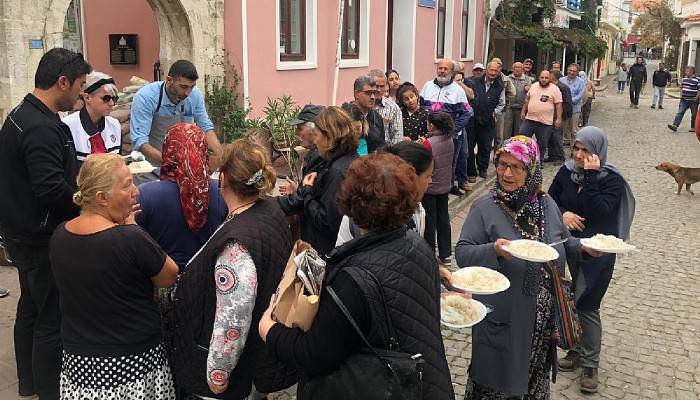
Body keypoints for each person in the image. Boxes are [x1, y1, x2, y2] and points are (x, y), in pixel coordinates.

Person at [259, 152, 456, 400]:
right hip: (428, 382)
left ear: (352, 202)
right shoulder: (417, 244)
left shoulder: (352, 279)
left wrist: (270, 330)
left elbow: (316, 355)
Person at [455, 135, 603, 399]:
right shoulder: (484, 208)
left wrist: (583, 247)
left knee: (532, 381)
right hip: (502, 317)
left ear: (531, 169)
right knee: (496, 383)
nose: (506, 173)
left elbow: (561, 241)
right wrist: (494, 250)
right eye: (501, 165)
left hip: (541, 322)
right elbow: (463, 253)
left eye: (516, 167)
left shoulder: (545, 204)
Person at [0, 48, 91, 399]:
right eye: (81, 86)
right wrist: (88, 208)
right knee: (50, 318)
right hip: (38, 235)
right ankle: (49, 390)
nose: (82, 94)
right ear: (62, 81)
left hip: (21, 230)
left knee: (31, 307)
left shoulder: (23, 113)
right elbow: (51, 188)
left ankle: (28, 382)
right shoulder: (40, 127)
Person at [171, 139, 293, 399]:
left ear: (223, 179)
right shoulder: (268, 209)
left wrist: (218, 373)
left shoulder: (237, 246)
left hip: (231, 369)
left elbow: (233, 318)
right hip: (257, 353)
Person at [50, 153, 178, 399]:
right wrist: (132, 227)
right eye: (127, 185)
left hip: (79, 362)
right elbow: (169, 276)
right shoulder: (129, 238)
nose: (136, 192)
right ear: (102, 198)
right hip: (131, 362)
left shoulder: (60, 234)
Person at [549, 127, 635, 394]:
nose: (578, 154)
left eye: (586, 150)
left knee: (588, 303)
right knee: (569, 297)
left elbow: (598, 211)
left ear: (598, 152)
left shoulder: (611, 180)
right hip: (568, 246)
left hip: (598, 251)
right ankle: (575, 348)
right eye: (576, 148)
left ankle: (590, 364)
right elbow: (549, 201)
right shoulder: (565, 172)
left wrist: (590, 176)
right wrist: (563, 215)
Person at [136, 123, 227, 269]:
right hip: (208, 279)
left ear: (168, 151)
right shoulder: (222, 191)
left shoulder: (146, 195)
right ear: (202, 151)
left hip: (160, 282)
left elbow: (136, 246)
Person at [277, 106, 358, 255]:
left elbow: (327, 222)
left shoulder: (337, 171)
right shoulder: (344, 160)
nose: (316, 139)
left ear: (329, 136)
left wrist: (306, 193)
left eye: (318, 134)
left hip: (326, 253)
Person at [130, 60, 223, 172]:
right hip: (150, 167)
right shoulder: (145, 97)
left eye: (192, 87)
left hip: (181, 167)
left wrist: (221, 156)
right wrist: (171, 163)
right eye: (183, 87)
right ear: (169, 80)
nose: (188, 92)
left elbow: (206, 128)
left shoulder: (195, 95)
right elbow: (140, 141)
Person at [336, 141, 432, 245]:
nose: (431, 180)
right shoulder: (354, 220)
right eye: (428, 176)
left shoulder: (418, 209)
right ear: (410, 177)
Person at [420, 59, 473, 197]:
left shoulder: (458, 90)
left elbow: (467, 113)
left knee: (449, 164)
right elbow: (420, 106)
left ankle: (446, 190)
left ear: (452, 72)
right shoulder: (427, 86)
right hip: (429, 135)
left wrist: (452, 129)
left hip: (450, 136)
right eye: (440, 67)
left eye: (446, 69)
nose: (442, 71)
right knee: (429, 162)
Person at [62, 71, 121, 165]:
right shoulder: (67, 125)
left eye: (114, 99)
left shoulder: (114, 124)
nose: (112, 103)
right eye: (106, 99)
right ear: (87, 98)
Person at [422, 112, 455, 265]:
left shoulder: (428, 143)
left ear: (432, 125)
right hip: (444, 186)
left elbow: (425, 163)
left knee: (430, 221)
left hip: (430, 188)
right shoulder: (450, 140)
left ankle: (429, 253)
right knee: (443, 220)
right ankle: (446, 253)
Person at [467, 61, 505, 182]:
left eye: (495, 71)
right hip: (472, 121)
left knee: (485, 146)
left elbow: (502, 103)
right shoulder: (474, 82)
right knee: (469, 146)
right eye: (491, 70)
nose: (493, 73)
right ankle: (471, 172)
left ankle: (482, 168)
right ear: (486, 70)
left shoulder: (500, 86)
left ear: (498, 72)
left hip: (488, 121)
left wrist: (495, 112)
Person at [278, 104, 327, 196]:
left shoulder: (321, 157)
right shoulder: (316, 153)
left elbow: (314, 202)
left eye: (300, 128)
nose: (296, 132)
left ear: (314, 129)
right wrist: (298, 190)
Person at [520, 70, 563, 158]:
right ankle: (523, 159)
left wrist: (559, 118)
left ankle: (538, 164)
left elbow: (558, 104)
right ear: (539, 77)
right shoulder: (534, 85)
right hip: (530, 120)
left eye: (546, 78)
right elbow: (527, 99)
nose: (544, 79)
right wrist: (523, 111)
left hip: (545, 123)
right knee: (522, 139)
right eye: (542, 77)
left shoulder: (555, 89)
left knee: (542, 145)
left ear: (550, 78)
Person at [341, 75, 385, 155]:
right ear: (356, 94)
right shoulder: (345, 115)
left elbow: (381, 145)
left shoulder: (377, 117)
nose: (372, 97)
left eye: (374, 93)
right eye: (368, 93)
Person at [543, 71, 572, 164]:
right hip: (549, 116)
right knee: (550, 137)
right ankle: (552, 155)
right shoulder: (550, 87)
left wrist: (560, 116)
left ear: (553, 77)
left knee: (557, 137)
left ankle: (560, 157)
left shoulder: (563, 87)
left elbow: (567, 103)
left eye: (548, 76)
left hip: (559, 117)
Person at [369, 69, 404, 143]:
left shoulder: (393, 108)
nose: (379, 90)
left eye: (382, 86)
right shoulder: (362, 105)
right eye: (376, 86)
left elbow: (397, 137)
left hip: (385, 152)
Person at [490, 58, 517, 150]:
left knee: (498, 135)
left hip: (500, 110)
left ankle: (497, 154)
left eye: (498, 65)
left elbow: (512, 93)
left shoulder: (505, 79)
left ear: (500, 67)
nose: (496, 68)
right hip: (487, 109)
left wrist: (505, 102)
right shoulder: (485, 77)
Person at [667, 66, 700, 133]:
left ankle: (693, 127)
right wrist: (681, 95)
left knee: (694, 114)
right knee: (680, 112)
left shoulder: (697, 80)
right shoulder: (684, 79)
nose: (686, 72)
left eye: (687, 71)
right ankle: (675, 125)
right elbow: (681, 87)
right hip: (684, 100)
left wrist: (696, 97)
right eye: (686, 71)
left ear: (692, 72)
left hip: (693, 100)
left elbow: (699, 89)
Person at [505, 62, 531, 139]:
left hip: (521, 108)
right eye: (515, 67)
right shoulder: (508, 78)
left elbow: (529, 95)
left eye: (519, 67)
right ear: (513, 69)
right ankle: (506, 148)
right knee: (506, 130)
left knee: (519, 131)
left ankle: (518, 148)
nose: (517, 69)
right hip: (509, 107)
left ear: (522, 69)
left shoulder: (527, 79)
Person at [560, 64, 585, 146]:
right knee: (562, 129)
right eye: (570, 70)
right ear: (567, 70)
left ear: (577, 72)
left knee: (574, 130)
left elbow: (579, 95)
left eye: (574, 71)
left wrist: (568, 101)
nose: (571, 72)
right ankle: (561, 149)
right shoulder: (561, 80)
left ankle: (575, 148)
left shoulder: (581, 81)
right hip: (563, 109)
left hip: (574, 109)